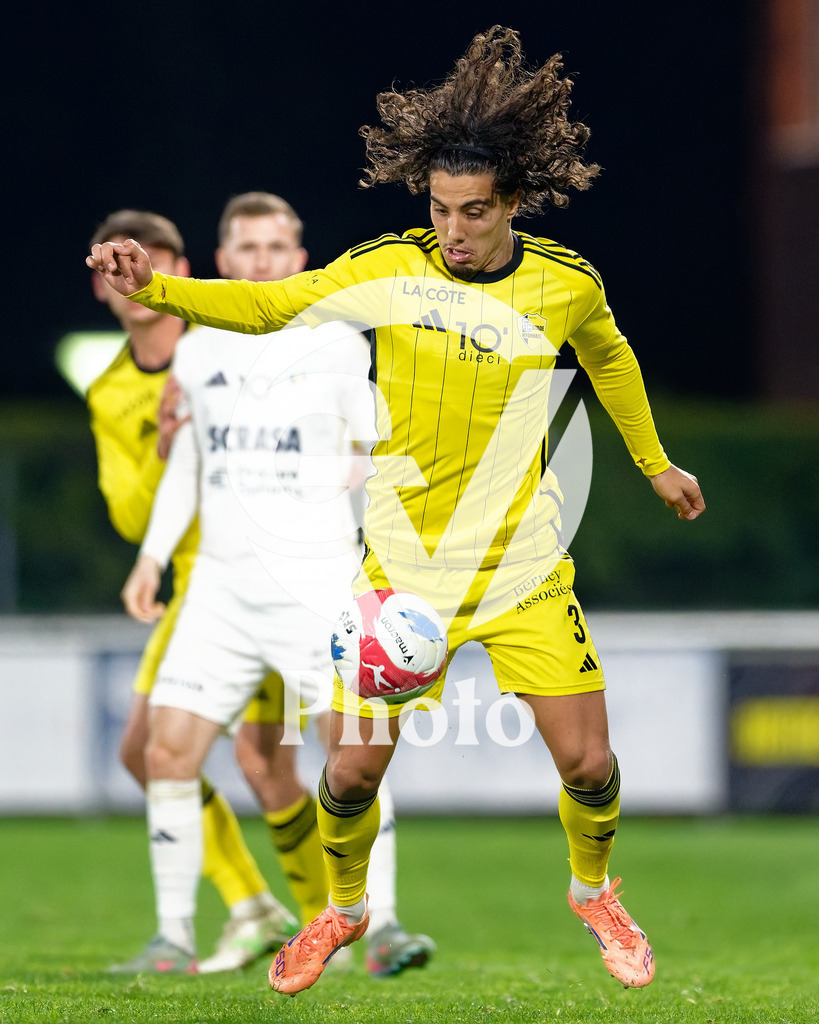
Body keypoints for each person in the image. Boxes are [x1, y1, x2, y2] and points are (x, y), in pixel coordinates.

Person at [88, 26, 706, 996]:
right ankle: (340, 906)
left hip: (520, 564)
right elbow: (271, 305)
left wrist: (654, 462)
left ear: (513, 205)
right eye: (440, 208)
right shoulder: (389, 268)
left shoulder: (564, 284)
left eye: (474, 212)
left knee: (589, 764)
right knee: (350, 773)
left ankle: (594, 890)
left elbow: (611, 355)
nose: (454, 230)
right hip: (401, 572)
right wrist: (157, 289)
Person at [117, 191, 435, 977]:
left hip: (314, 586)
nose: (263, 261)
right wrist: (153, 558)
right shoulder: (195, 350)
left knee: (351, 754)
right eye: (247, 250)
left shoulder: (333, 342)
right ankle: (172, 936)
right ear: (223, 263)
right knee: (165, 752)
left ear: (300, 261)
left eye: (277, 249)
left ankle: (383, 926)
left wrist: (376, 525)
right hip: (219, 593)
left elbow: (374, 450)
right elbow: (189, 465)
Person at [87, 209, 301, 973]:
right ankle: (256, 908)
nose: (137, 277)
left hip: (275, 576)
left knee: (265, 763)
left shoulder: (226, 344)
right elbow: (131, 514)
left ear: (176, 271)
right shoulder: (112, 391)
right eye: (119, 264)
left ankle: (334, 919)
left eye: (154, 261)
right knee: (149, 754)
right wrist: (169, 449)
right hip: (197, 591)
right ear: (102, 284)